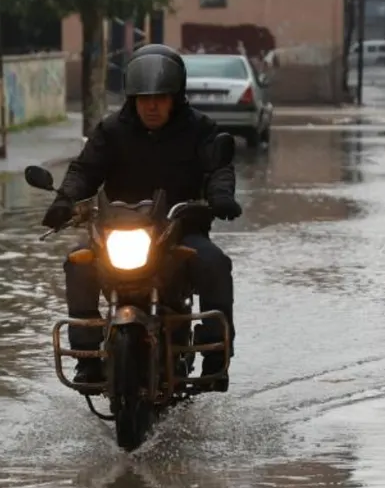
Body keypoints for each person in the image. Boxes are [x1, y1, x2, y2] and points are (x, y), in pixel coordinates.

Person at [41, 43, 242, 388]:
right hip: (117, 231)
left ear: (175, 98)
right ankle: (87, 357)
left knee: (214, 262)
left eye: (160, 98)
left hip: (179, 230)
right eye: (144, 98)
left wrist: (221, 196)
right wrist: (64, 200)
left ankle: (215, 355)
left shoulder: (200, 129)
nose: (152, 106)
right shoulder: (111, 131)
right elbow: (85, 169)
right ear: (132, 99)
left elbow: (218, 168)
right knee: (78, 262)